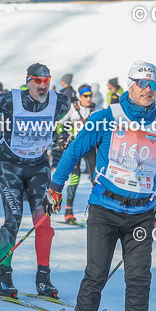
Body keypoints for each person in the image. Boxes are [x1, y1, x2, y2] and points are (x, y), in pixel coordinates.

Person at [44, 60, 156, 311]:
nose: (148, 90)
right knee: (96, 275)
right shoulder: (106, 118)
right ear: (130, 85)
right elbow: (74, 150)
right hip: (105, 209)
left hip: (142, 213)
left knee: (139, 280)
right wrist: (55, 186)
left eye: (153, 85)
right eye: (142, 84)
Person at [0, 63, 71, 298]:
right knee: (13, 220)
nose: (43, 86)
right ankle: (4, 276)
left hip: (38, 167)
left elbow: (60, 116)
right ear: (28, 81)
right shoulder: (10, 100)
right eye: (38, 81)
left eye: (46, 81)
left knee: (44, 223)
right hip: (10, 167)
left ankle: (43, 278)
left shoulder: (60, 102)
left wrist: (55, 132)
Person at [60, 84, 98, 223]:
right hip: (75, 146)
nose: (88, 99)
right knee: (74, 179)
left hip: (91, 148)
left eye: (90, 96)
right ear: (80, 96)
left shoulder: (98, 108)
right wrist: (61, 138)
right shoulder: (73, 108)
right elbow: (60, 123)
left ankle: (97, 212)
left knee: (96, 180)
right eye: (85, 96)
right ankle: (69, 211)